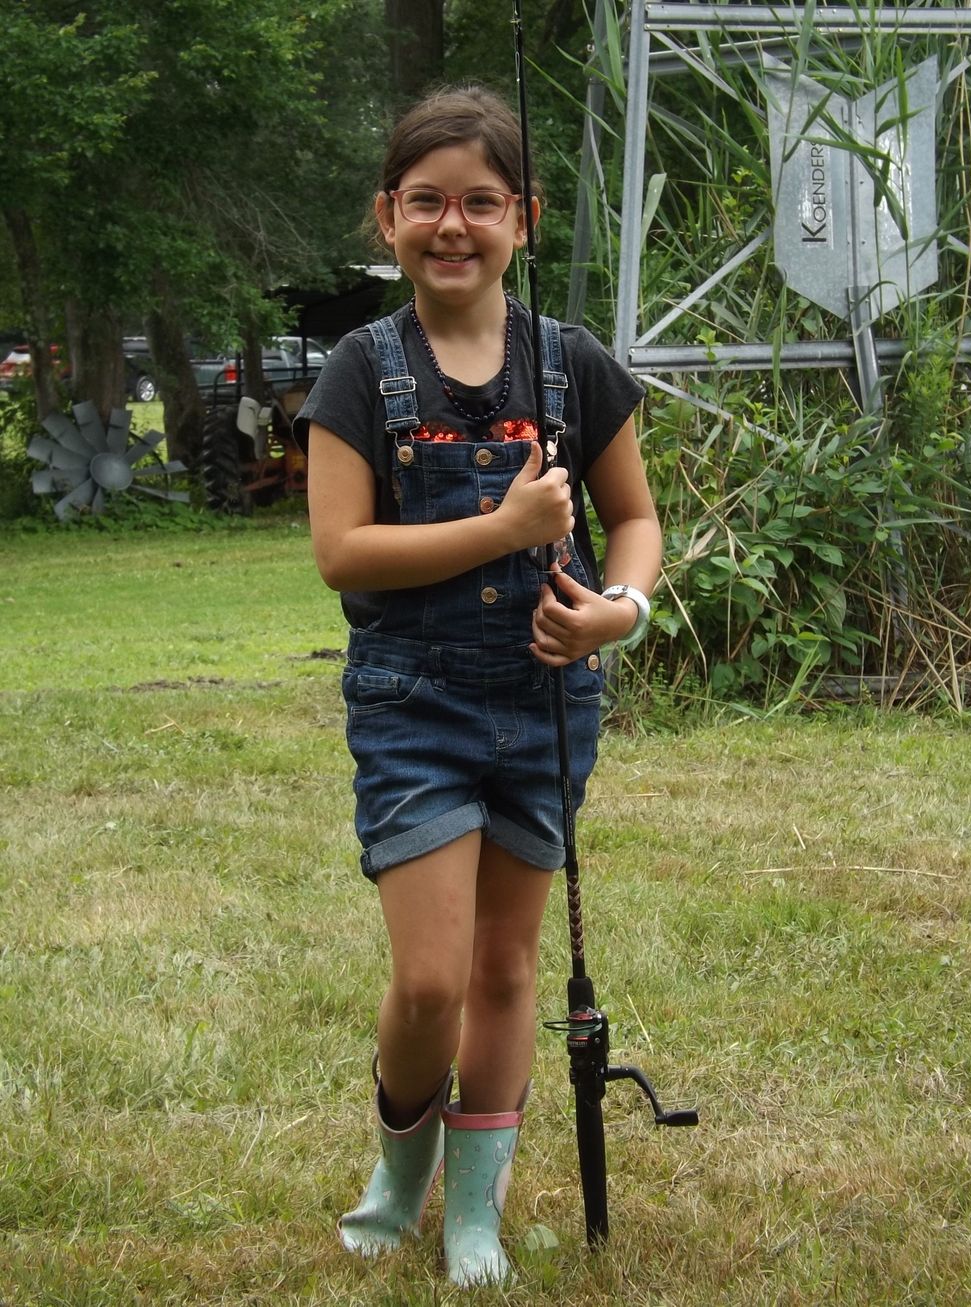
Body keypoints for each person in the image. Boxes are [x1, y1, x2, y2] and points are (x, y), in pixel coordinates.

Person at [295, 84, 662, 1288]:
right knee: (428, 978)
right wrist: (502, 529)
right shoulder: (359, 371)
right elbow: (343, 551)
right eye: (425, 202)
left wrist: (619, 608)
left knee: (506, 969)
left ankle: (471, 1211)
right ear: (386, 216)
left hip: (548, 700)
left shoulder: (572, 365)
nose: (450, 226)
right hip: (414, 701)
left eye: (479, 203)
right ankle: (399, 1166)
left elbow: (634, 518)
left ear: (523, 218)